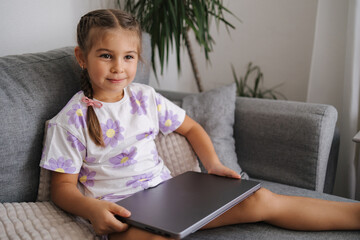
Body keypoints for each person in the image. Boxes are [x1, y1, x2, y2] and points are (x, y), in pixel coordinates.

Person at [40, 9, 360, 240]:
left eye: (128, 57)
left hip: (169, 199)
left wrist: (214, 164)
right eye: (106, 55)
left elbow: (191, 128)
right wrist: (94, 211)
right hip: (122, 215)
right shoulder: (71, 120)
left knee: (261, 199)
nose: (118, 67)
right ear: (82, 57)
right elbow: (63, 189)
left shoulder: (145, 97)